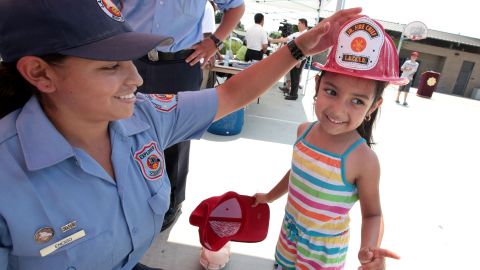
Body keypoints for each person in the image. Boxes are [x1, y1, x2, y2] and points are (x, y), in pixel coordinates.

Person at [0, 1, 362, 269]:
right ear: (39, 73)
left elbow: (230, 95)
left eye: (131, 59)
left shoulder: (145, 116)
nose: (137, 79)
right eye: (110, 65)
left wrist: (298, 48)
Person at [254, 15, 407, 270]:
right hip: (288, 237)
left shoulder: (363, 160)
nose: (337, 110)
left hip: (323, 255)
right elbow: (297, 173)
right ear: (318, 84)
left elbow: (373, 214)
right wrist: (270, 196)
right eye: (331, 92)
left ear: (373, 106)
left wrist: (368, 248)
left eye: (357, 101)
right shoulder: (303, 132)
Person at [116, 0, 245, 261]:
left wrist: (215, 41)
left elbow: (236, 6)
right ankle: (126, 196)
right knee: (122, 129)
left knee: (177, 139)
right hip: (131, 58)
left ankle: (172, 203)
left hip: (180, 62)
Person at [270, 18, 309, 100]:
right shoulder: (298, 33)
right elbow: (285, 39)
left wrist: (300, 59)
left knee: (296, 76)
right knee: (293, 75)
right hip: (295, 56)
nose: (298, 25)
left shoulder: (306, 34)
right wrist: (272, 40)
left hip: (300, 57)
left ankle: (294, 94)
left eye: (299, 23)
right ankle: (291, 92)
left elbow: (306, 48)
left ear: (303, 24)